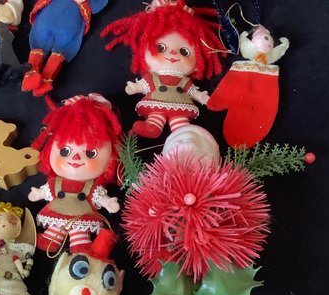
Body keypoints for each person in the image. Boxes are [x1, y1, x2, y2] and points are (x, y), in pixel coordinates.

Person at [102, 0, 224, 138]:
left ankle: (183, 134)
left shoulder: (184, 81)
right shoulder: (153, 77)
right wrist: (135, 87)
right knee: (156, 117)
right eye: (161, 48)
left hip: (180, 105)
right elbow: (145, 84)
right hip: (157, 102)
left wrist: (202, 97)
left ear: (199, 61)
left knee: (182, 126)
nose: (173, 53)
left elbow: (192, 91)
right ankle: (152, 127)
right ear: (142, 52)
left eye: (184, 52)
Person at [28, 94, 122, 254]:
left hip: (81, 214)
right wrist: (38, 193)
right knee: (55, 227)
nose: (76, 158)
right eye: (65, 151)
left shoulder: (92, 186)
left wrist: (108, 203)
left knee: (80, 233)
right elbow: (47, 190)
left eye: (90, 153)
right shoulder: (56, 182)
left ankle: (80, 245)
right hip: (58, 210)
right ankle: (50, 239)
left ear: (111, 158)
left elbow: (98, 196)